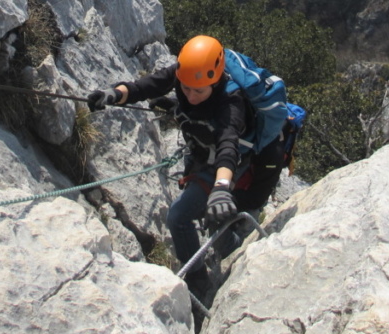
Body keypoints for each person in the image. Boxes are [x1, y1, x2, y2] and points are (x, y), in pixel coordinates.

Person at [86, 35, 287, 303]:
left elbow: (228, 148)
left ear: (216, 82)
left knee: (180, 217)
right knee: (205, 215)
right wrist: (114, 94)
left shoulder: (232, 103)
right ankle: (212, 265)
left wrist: (221, 188)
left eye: (199, 91)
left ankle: (212, 273)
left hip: (228, 162)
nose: (190, 95)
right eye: (186, 88)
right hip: (202, 152)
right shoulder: (187, 74)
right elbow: (145, 86)